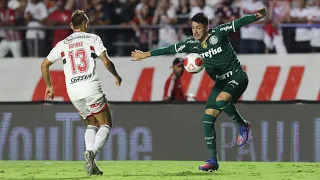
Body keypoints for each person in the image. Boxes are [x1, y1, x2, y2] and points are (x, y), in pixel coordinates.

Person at [131, 8, 266, 172]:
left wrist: (256, 16)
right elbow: (171, 49)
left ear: (207, 27)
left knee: (221, 100)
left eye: (199, 28)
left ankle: (243, 125)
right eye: (193, 28)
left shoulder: (219, 33)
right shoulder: (192, 44)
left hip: (237, 77)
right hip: (220, 83)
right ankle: (213, 161)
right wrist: (145, 55)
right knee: (207, 119)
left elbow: (238, 23)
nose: (195, 31)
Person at [41, 10, 122, 176]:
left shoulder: (62, 43)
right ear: (86, 24)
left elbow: (44, 65)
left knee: (91, 123)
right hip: (91, 87)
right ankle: (91, 153)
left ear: (71, 26)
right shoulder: (93, 38)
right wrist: (116, 75)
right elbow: (105, 60)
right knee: (105, 124)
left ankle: (91, 164)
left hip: (73, 91)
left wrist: (49, 86)